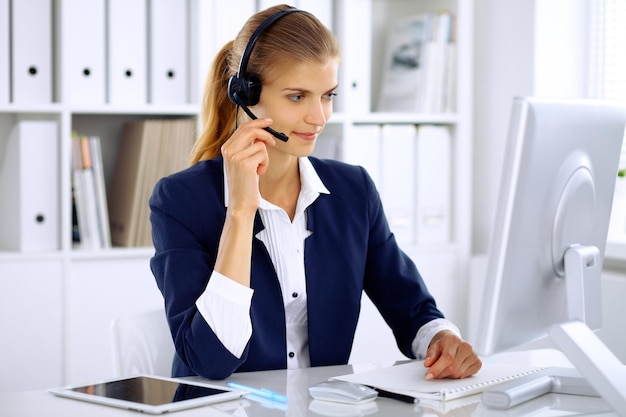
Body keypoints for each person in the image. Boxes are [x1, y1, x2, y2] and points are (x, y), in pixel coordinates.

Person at [149, 4, 482, 381]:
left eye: (327, 95)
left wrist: (441, 339)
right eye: (297, 96)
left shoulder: (353, 191)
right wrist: (241, 211)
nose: (319, 117)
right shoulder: (180, 201)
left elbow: (412, 308)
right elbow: (210, 360)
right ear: (246, 93)